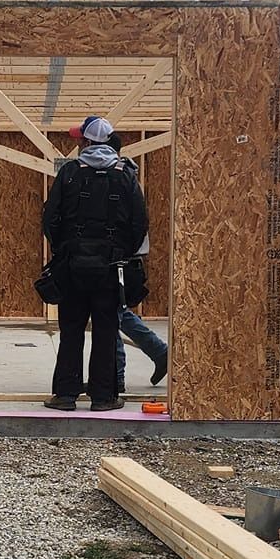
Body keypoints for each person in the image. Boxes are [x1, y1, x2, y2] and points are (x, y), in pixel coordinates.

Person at [42, 114, 148, 412]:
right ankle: (104, 398)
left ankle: (65, 395)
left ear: (87, 141)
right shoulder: (125, 174)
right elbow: (139, 223)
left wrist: (63, 249)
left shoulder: (70, 173)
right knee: (106, 330)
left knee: (71, 329)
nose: (77, 143)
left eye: (80, 139)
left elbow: (51, 218)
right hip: (111, 268)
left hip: (74, 265)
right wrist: (121, 254)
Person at [109, 134, 168, 392]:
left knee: (110, 314)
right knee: (119, 313)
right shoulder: (126, 176)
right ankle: (160, 353)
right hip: (125, 257)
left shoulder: (119, 178)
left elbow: (130, 222)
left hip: (120, 259)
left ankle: (116, 376)